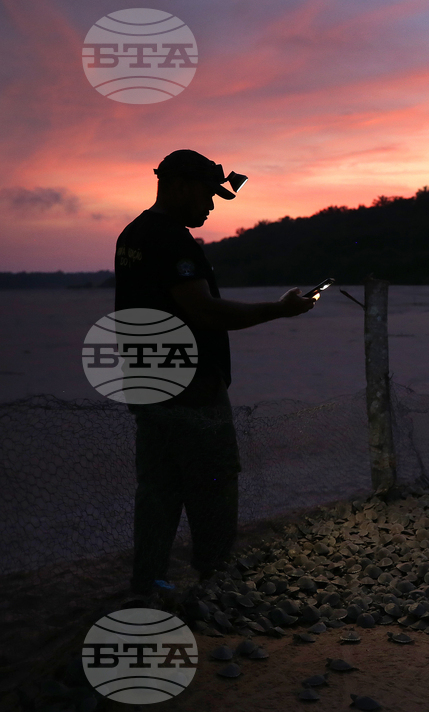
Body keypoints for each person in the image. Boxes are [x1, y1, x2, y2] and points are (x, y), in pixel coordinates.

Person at [114, 149, 315, 598]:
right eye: (206, 195)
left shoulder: (133, 235)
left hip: (148, 382)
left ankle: (148, 581)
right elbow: (203, 310)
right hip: (191, 385)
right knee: (213, 482)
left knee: (159, 488)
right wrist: (279, 311)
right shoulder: (173, 240)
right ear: (180, 185)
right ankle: (215, 578)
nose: (210, 206)